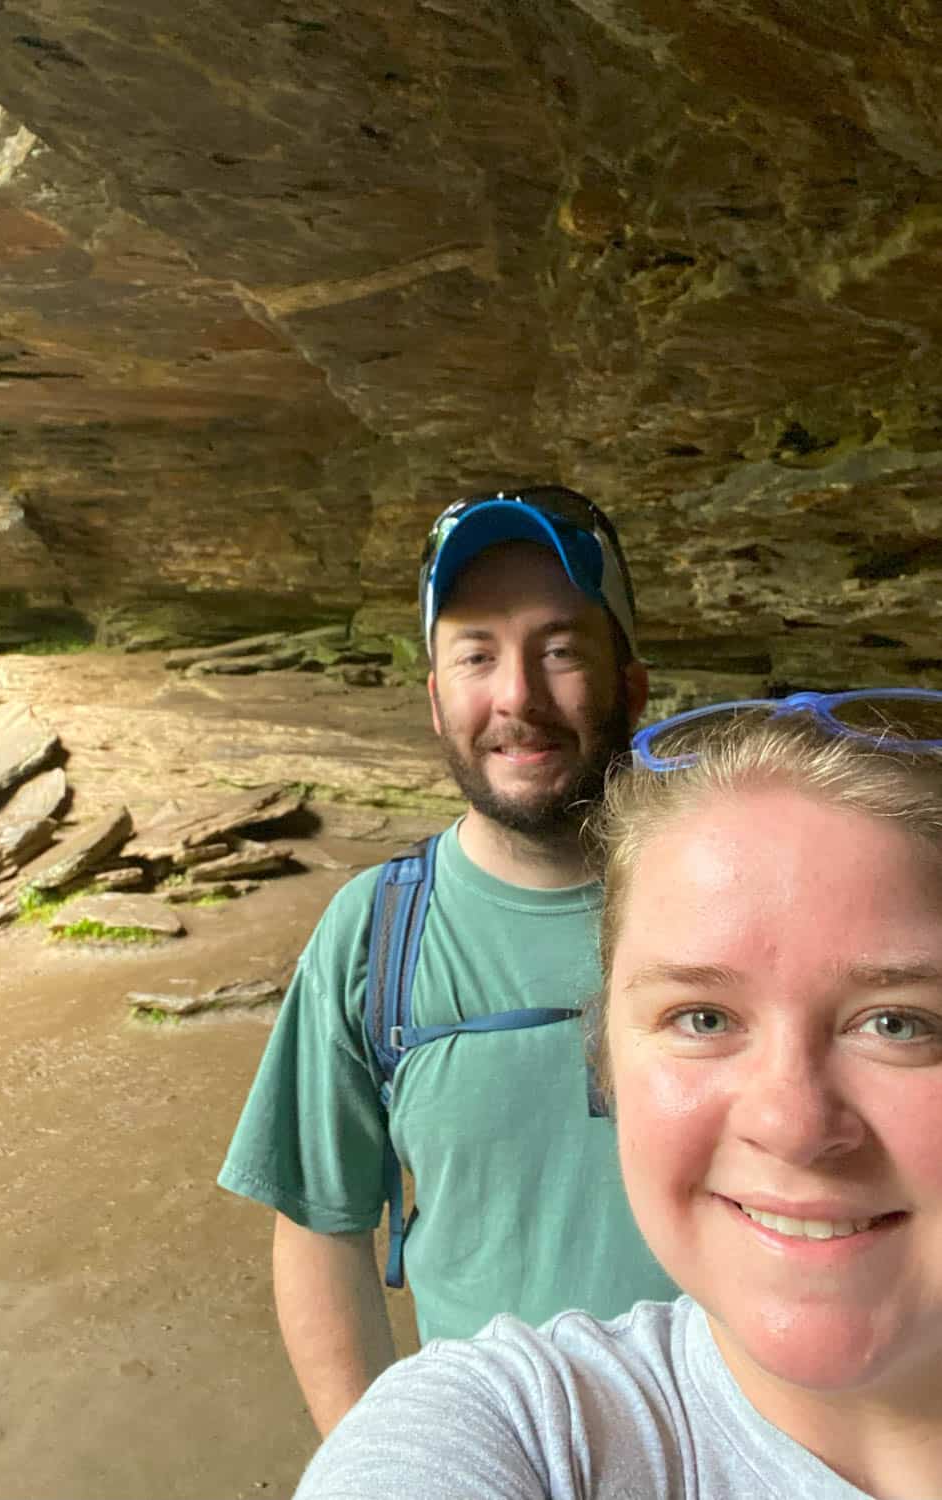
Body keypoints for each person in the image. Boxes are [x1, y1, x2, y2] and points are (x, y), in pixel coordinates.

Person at [294, 688, 942, 1499]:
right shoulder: (516, 1427)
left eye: (898, 1024)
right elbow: (320, 1218)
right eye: (701, 1016)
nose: (792, 1123)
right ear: (603, 1056)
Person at [218, 485, 676, 1435]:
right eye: (476, 655)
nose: (516, 696)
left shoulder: (728, 900)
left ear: (629, 685)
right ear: (435, 700)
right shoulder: (374, 934)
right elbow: (322, 1226)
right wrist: (372, 1464)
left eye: (558, 650)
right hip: (499, 1454)